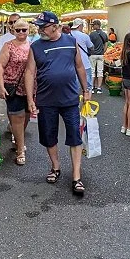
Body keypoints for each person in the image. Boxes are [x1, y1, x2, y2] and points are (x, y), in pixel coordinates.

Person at [24, 11, 91, 196]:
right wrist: (30, 99)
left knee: (75, 137)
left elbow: (79, 66)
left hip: (70, 99)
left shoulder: (71, 42)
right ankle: (56, 167)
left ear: (55, 26)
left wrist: (86, 90)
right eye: (38, 27)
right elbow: (30, 73)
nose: (39, 30)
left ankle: (76, 177)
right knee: (49, 136)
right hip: (46, 100)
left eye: (42, 27)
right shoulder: (35, 46)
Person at [0, 18, 31, 165]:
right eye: (18, 30)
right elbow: (0, 66)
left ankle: (18, 137)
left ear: (29, 30)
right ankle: (20, 149)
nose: (21, 32)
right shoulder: (8, 46)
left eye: (24, 29)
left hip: (30, 88)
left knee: (27, 116)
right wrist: (0, 86)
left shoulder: (33, 45)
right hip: (13, 86)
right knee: (18, 117)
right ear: (13, 31)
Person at [70, 18, 94, 92]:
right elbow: (91, 46)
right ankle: (87, 102)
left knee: (74, 88)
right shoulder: (85, 36)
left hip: (72, 64)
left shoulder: (67, 35)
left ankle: (76, 102)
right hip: (85, 63)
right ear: (80, 26)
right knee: (88, 87)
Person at [88, 19, 108, 94]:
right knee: (100, 71)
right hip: (101, 55)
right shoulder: (104, 34)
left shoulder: (92, 34)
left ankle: (92, 88)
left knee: (92, 71)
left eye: (93, 25)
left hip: (93, 55)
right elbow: (106, 44)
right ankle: (99, 88)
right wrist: (103, 51)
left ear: (97, 25)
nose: (92, 26)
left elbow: (89, 45)